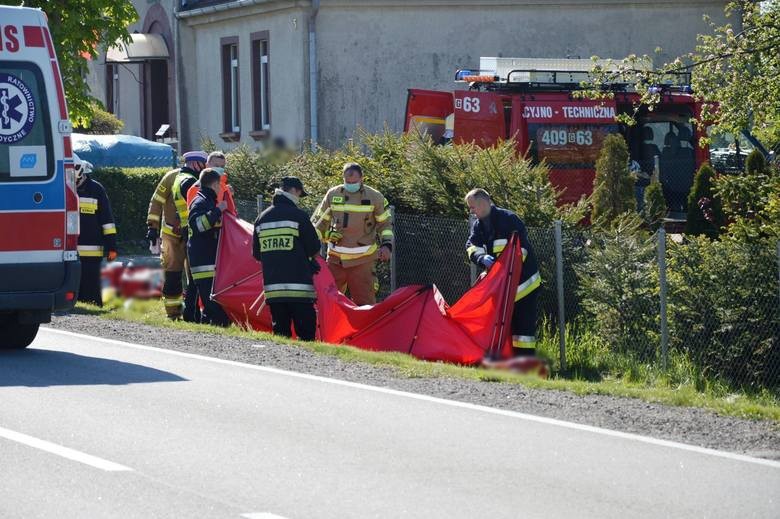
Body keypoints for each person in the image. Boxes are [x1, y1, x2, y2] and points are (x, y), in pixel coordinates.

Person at [465, 188, 541, 360]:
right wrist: (481, 257)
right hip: (504, 287)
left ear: (483, 203)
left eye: (472, 207)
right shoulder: (479, 226)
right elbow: (471, 245)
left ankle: (526, 364)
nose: (471, 211)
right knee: (505, 327)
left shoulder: (509, 220)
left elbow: (520, 251)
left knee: (523, 331)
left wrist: (501, 269)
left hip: (524, 285)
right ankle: (509, 362)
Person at [312, 162, 394, 306]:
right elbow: (320, 222)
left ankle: (365, 329)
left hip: (362, 260)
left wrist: (387, 245)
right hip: (335, 259)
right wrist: (321, 238)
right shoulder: (333, 194)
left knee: (365, 304)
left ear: (362, 178)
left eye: (354, 182)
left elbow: (385, 225)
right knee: (327, 302)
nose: (350, 184)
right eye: (347, 182)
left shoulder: (375, 197)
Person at [253, 177, 321, 340]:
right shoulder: (299, 216)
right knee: (306, 337)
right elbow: (314, 249)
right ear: (293, 190)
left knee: (281, 338)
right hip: (300, 290)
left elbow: (256, 254)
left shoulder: (261, 218)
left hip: (273, 290)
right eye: (299, 193)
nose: (299, 197)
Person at [146, 151, 207, 320]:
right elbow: (156, 201)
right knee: (172, 274)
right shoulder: (172, 177)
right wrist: (152, 227)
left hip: (192, 233)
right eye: (203, 163)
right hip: (171, 234)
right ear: (195, 163)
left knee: (194, 275)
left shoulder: (202, 180)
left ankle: (192, 311)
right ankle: (173, 313)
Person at [187, 168, 230, 327]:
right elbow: (199, 225)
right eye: (219, 184)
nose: (221, 188)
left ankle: (210, 329)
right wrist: (219, 210)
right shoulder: (201, 202)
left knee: (211, 305)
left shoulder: (207, 200)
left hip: (208, 260)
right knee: (213, 306)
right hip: (204, 262)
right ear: (214, 184)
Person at [74, 154, 117, 306]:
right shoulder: (63, 189)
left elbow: (107, 221)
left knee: (91, 285)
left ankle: (94, 306)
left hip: (93, 251)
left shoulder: (96, 189)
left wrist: (112, 247)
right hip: (71, 250)